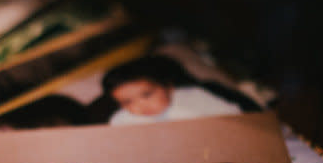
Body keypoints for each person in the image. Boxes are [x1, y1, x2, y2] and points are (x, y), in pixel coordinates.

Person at [101, 54, 257, 126]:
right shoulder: (122, 120)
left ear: (168, 87)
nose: (139, 106)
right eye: (127, 102)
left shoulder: (195, 97)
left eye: (147, 94)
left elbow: (236, 120)